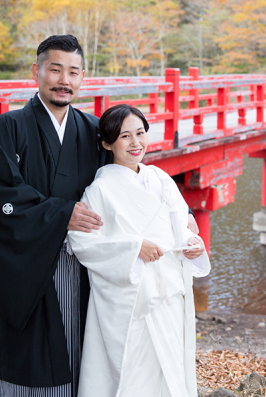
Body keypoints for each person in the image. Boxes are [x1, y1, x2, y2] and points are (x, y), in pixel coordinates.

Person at [0, 35, 109, 396]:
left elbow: (127, 181)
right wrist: (62, 214)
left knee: (84, 353)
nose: (64, 80)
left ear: (83, 77)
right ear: (36, 71)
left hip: (85, 262)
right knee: (34, 359)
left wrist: (180, 216)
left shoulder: (94, 130)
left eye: (73, 72)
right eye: (55, 70)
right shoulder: (9, 128)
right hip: (27, 266)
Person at [67, 104, 211, 397]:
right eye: (125, 136)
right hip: (131, 297)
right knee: (134, 371)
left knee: (170, 366)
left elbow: (179, 225)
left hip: (169, 292)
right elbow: (81, 242)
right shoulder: (99, 190)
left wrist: (192, 244)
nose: (135, 143)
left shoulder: (160, 178)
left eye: (140, 133)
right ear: (107, 144)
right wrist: (134, 248)